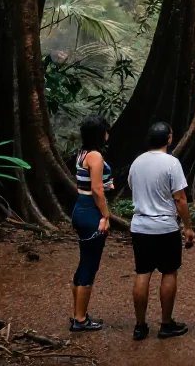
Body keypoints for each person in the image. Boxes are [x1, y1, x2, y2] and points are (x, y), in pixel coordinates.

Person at [127, 121, 195, 341]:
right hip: (165, 227)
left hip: (140, 226)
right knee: (169, 272)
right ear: (169, 139)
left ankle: (140, 326)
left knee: (143, 272)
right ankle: (166, 324)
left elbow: (132, 187)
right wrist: (188, 227)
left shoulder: (137, 162)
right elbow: (180, 198)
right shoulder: (172, 163)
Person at [70, 115, 113, 331]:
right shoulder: (95, 156)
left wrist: (106, 185)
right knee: (90, 263)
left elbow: (90, 182)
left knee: (84, 262)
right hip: (91, 211)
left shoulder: (82, 153)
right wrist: (106, 216)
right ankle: (80, 320)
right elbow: (96, 189)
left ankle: (78, 313)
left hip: (80, 207)